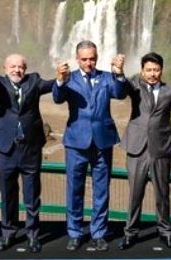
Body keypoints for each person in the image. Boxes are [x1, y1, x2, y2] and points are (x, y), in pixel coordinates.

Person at [0, 54, 54, 253]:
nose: (17, 70)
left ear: (25, 69)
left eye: (20, 67)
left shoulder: (34, 81)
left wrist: (63, 77)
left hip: (30, 148)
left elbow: (53, 85)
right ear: (5, 68)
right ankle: (8, 233)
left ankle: (33, 235)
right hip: (6, 148)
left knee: (32, 195)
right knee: (7, 194)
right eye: (12, 66)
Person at [52, 40, 127, 252]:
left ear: (97, 58)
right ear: (77, 59)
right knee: (74, 190)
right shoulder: (69, 78)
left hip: (103, 141)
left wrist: (119, 73)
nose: (88, 63)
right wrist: (59, 80)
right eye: (84, 59)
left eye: (92, 59)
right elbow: (57, 98)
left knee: (101, 191)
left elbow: (121, 93)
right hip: (76, 142)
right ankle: (75, 233)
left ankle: (99, 233)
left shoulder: (108, 77)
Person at [118, 53, 171, 251]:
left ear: (161, 70)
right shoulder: (134, 85)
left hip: (160, 148)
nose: (152, 74)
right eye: (148, 70)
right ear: (142, 71)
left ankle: (166, 233)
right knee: (135, 194)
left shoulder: (169, 90)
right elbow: (120, 89)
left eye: (156, 70)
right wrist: (118, 72)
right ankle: (130, 233)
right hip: (137, 147)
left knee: (163, 194)